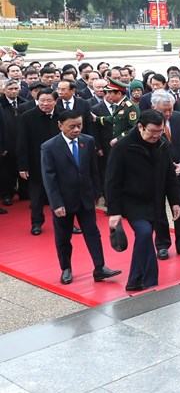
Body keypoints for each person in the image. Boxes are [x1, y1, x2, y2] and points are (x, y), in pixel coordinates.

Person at [40, 111, 122, 286]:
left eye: (79, 125)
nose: (76, 130)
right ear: (60, 125)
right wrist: (56, 203)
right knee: (63, 237)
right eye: (72, 127)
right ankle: (66, 268)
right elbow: (49, 178)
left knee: (93, 233)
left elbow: (93, 170)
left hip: (85, 198)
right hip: (63, 201)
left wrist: (96, 193)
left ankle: (100, 267)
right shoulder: (49, 147)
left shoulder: (87, 141)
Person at [105, 109, 180, 292]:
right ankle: (149, 280)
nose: (157, 135)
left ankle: (134, 281)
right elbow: (112, 181)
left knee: (144, 238)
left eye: (160, 131)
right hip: (131, 202)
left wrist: (175, 202)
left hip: (154, 201)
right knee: (144, 233)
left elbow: (170, 176)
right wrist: (114, 212)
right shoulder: (122, 147)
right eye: (153, 131)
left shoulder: (162, 144)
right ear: (140, 126)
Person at [149, 90, 180, 258]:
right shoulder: (146, 122)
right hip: (157, 175)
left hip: (178, 172)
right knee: (158, 209)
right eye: (163, 111)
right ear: (153, 107)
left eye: (170, 109)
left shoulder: (178, 118)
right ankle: (162, 244)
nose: (168, 114)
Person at [18, 88, 59, 235]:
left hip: (60, 162)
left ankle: (65, 223)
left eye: (49, 101)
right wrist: (23, 166)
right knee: (37, 196)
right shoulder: (27, 117)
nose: (45, 104)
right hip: (37, 162)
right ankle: (36, 223)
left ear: (56, 101)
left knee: (63, 195)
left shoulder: (63, 115)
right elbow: (22, 143)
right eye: (42, 100)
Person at [93, 78, 140, 147]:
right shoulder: (118, 105)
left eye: (110, 93)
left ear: (119, 94)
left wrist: (118, 138)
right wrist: (97, 119)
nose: (107, 95)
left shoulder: (131, 107)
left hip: (127, 144)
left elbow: (135, 128)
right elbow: (114, 119)